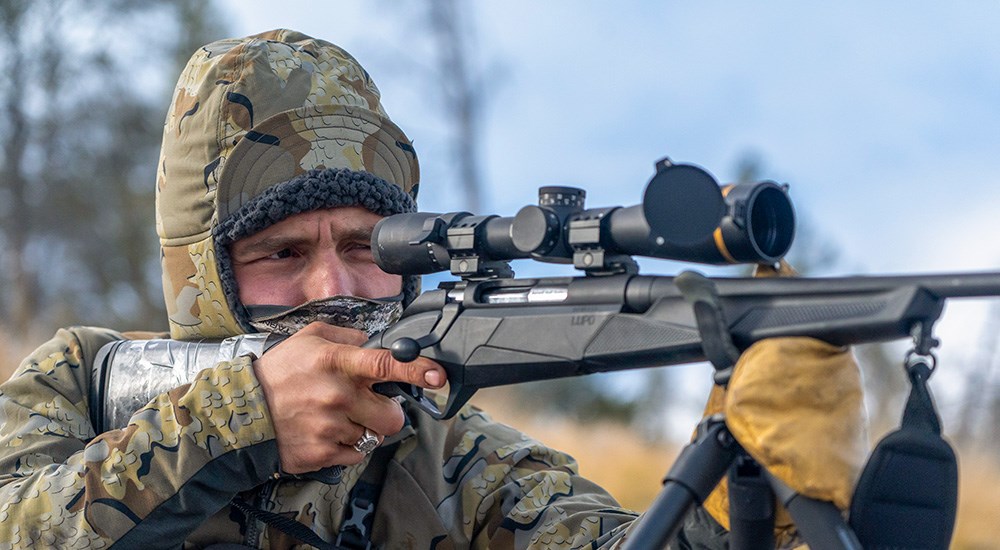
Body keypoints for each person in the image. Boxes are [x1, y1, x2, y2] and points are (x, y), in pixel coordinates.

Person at [0, 29, 864, 549]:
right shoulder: (79, 384)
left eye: (367, 246)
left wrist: (752, 494)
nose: (333, 286)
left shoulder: (442, 453)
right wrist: (241, 417)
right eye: (281, 252)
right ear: (205, 274)